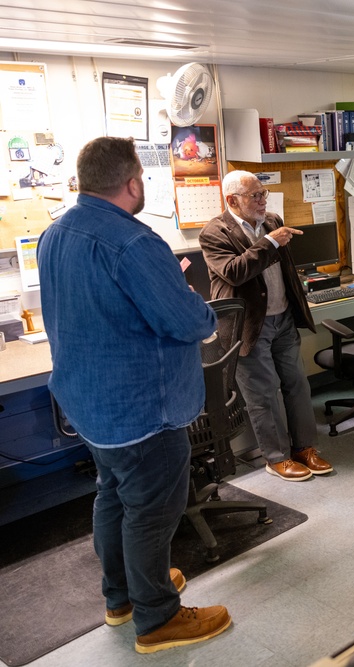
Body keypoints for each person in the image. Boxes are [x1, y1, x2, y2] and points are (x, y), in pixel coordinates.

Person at [38, 136, 231, 654]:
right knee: (150, 512)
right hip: (145, 409)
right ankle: (158, 618)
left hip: (90, 408)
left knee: (114, 498)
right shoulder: (135, 243)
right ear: (131, 182)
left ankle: (122, 596)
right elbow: (186, 320)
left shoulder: (53, 234)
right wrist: (193, 300)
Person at [200, 171, 333, 482]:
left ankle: (305, 449)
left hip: (283, 317)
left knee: (297, 385)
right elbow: (235, 272)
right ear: (232, 200)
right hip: (249, 325)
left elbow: (285, 270)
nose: (262, 201)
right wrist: (270, 243)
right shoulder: (214, 233)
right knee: (263, 394)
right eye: (254, 196)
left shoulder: (271, 220)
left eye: (263, 194)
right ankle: (276, 458)